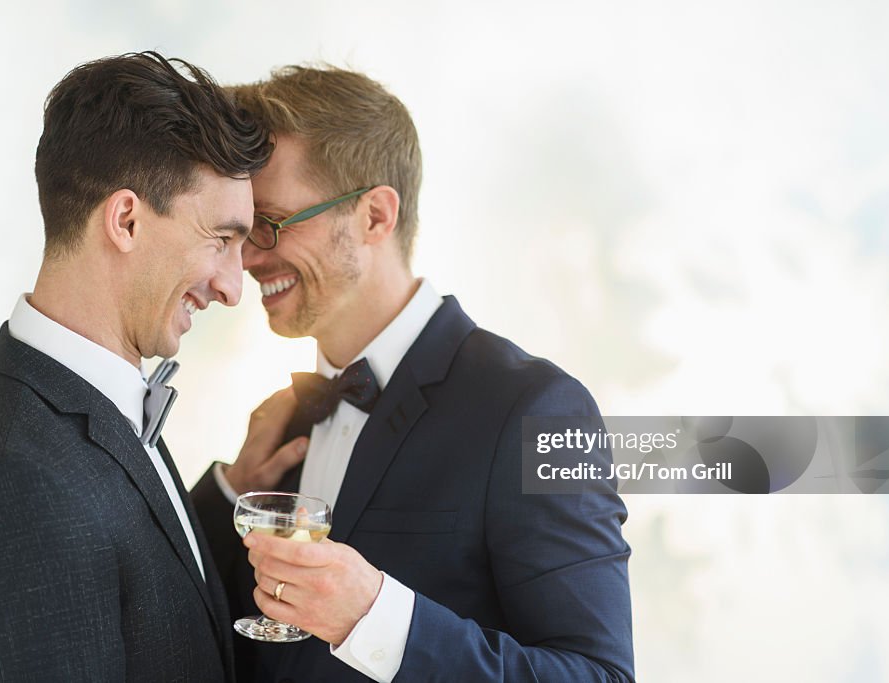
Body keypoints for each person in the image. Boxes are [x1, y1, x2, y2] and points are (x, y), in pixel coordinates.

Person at [190, 66, 636, 682]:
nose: (248, 261)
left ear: (375, 215)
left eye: (270, 224)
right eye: (238, 233)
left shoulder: (537, 409)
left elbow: (598, 675)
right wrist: (229, 493)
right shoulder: (283, 420)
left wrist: (374, 618)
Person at [0, 52, 276, 681]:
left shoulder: (90, 400)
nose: (233, 287)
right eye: (222, 240)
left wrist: (230, 492)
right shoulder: (15, 475)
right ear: (126, 220)